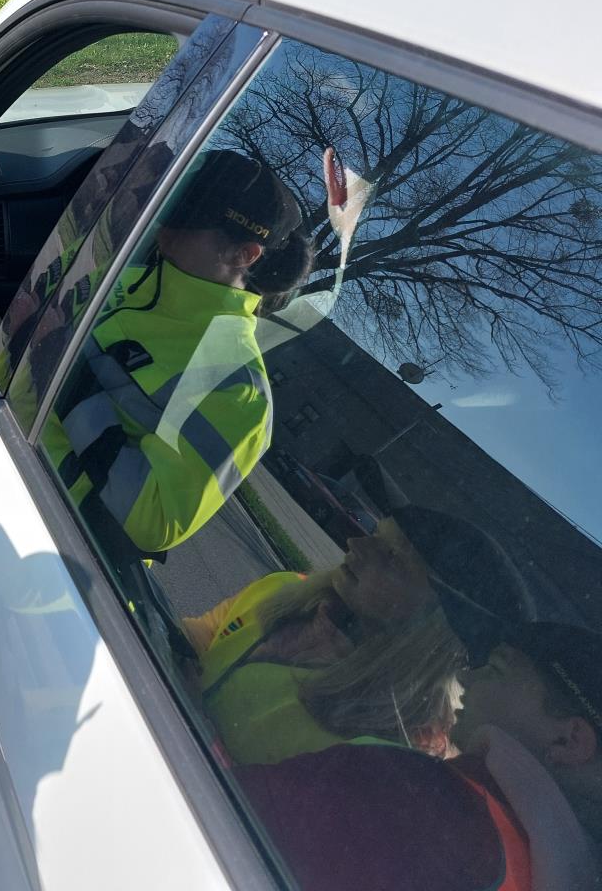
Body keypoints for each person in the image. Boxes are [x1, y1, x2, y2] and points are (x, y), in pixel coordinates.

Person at [40, 149, 315, 553]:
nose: (164, 220)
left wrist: (58, 365)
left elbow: (154, 520)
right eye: (169, 201)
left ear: (244, 254)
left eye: (188, 217)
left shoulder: (239, 389)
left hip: (45, 524)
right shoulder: (133, 271)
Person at [236, 621, 602, 891]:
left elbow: (212, 821)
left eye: (496, 669)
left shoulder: (417, 797)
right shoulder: (556, 872)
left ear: (570, 741)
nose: (468, 677)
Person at [185, 505, 531, 766]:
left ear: (435, 626)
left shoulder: (389, 751)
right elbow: (189, 641)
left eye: (392, 556)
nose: (356, 545)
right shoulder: (284, 591)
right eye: (374, 534)